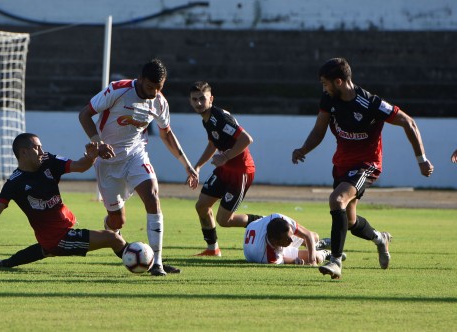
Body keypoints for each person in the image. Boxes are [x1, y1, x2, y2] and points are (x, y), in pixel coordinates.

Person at [292, 57, 434, 279]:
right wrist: (303, 149)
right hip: (341, 165)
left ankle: (335, 261)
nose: (323, 88)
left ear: (338, 81)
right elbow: (319, 130)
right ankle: (380, 238)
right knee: (349, 221)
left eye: (325, 83)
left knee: (336, 200)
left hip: (366, 165)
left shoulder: (371, 104)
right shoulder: (328, 100)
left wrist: (422, 159)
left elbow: (409, 122)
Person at [78, 58, 198, 276]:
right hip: (108, 162)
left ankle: (158, 263)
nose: (154, 92)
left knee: (152, 196)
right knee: (117, 220)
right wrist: (98, 142)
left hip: (136, 155)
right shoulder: (118, 90)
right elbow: (85, 114)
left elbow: (166, 133)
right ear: (140, 79)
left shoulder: (160, 102)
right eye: (150, 87)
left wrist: (187, 165)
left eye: (159, 88)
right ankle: (110, 226)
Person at [0, 133, 128, 268]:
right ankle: (143, 261)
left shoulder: (48, 161)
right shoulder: (14, 183)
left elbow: (80, 166)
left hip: (56, 235)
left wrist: (91, 158)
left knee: (45, 249)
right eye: (37, 148)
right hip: (59, 238)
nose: (41, 151)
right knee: (114, 238)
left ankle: (5, 263)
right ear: (24, 152)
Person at [186, 81, 261, 257]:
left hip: (241, 171)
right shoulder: (207, 120)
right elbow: (213, 143)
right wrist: (197, 167)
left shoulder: (219, 117)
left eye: (202, 99)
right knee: (202, 206)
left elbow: (246, 139)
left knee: (224, 220)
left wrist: (226, 157)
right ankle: (213, 249)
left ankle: (265, 222)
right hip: (224, 169)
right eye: (194, 99)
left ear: (211, 99)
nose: (198, 103)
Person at [244, 213, 340, 265]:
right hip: (263, 246)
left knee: (314, 237)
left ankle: (316, 245)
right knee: (317, 257)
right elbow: (283, 259)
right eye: (287, 239)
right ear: (275, 242)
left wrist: (312, 262)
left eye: (291, 236)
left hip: (261, 232)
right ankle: (324, 253)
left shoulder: (279, 218)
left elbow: (308, 234)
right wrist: (294, 261)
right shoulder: (268, 256)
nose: (292, 240)